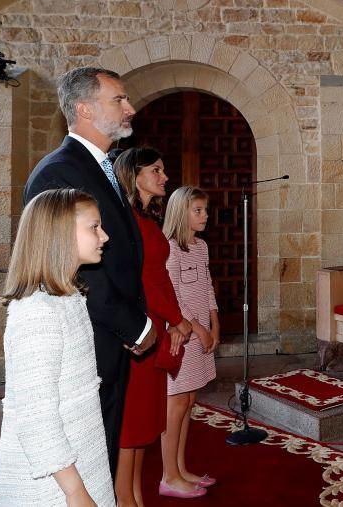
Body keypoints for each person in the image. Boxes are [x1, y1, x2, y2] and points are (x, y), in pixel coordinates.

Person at [24, 67, 156, 478]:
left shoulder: (100, 166)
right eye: (118, 100)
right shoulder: (58, 171)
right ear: (83, 108)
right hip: (88, 337)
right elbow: (76, 271)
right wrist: (134, 326)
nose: (130, 108)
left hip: (107, 337)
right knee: (83, 457)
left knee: (102, 452)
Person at [0, 189, 115, 506]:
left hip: (79, 458)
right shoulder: (37, 311)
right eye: (94, 227)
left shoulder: (68, 298)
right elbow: (36, 416)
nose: (104, 235)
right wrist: (75, 490)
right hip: (51, 485)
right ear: (61, 233)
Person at [113, 148, 195, 505]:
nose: (164, 176)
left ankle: (135, 496)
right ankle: (123, 497)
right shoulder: (126, 218)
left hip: (155, 324)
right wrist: (177, 320)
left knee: (145, 421)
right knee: (131, 423)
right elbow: (148, 279)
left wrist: (175, 321)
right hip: (139, 329)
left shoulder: (144, 217)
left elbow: (160, 278)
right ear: (135, 175)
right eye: (156, 170)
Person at [161, 186, 219, 492]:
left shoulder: (201, 247)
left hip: (202, 331)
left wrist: (215, 321)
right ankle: (168, 477)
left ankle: (181, 469)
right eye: (198, 210)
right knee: (176, 404)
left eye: (205, 210)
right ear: (180, 212)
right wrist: (198, 327)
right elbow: (172, 295)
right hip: (184, 335)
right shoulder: (169, 248)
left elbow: (207, 287)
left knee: (189, 401)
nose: (204, 215)